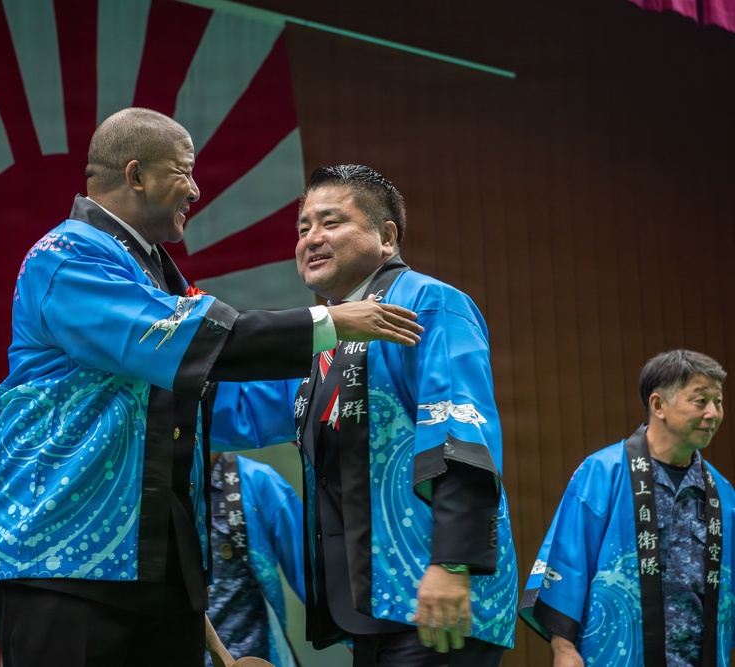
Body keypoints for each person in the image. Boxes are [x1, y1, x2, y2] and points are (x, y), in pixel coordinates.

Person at [0, 110, 424, 667]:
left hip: (158, 568)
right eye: (184, 172)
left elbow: (230, 405)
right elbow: (181, 341)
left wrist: (349, 372)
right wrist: (332, 324)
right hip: (62, 558)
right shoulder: (64, 257)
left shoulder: (158, 280)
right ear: (136, 176)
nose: (197, 188)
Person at [211, 164, 518, 667]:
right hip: (374, 604)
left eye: (331, 222)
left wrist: (453, 563)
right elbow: (241, 412)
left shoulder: (427, 303)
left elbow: (460, 429)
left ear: (387, 236)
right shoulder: (322, 342)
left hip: (435, 595)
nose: (312, 238)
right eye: (303, 227)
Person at [520, 349, 735, 667]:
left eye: (718, 402)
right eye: (700, 401)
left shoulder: (723, 492)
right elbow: (569, 559)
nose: (713, 413)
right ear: (658, 405)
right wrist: (563, 649)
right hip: (617, 655)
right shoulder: (603, 471)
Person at [205, 451, 305, 667]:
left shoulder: (258, 480)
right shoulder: (157, 485)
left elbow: (310, 571)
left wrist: (351, 633)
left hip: (254, 655)